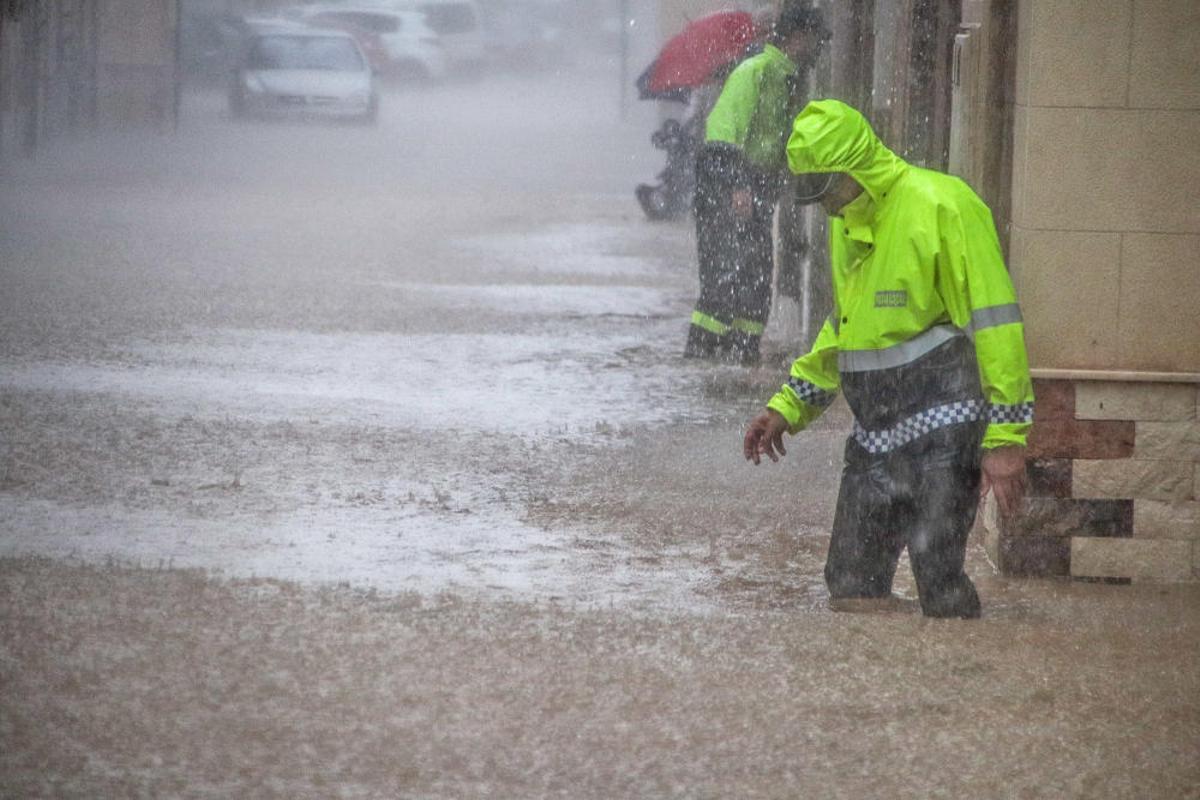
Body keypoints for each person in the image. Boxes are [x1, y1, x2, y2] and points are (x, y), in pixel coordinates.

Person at [742, 99, 1034, 619]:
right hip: (876, 433)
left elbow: (996, 324)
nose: (825, 206)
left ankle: (955, 687)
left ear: (855, 168)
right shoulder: (845, 219)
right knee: (851, 585)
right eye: (813, 195)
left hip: (946, 427)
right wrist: (789, 406)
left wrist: (1006, 438)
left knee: (939, 586)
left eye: (827, 190)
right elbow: (846, 329)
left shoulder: (943, 205)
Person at [683, 3, 830, 365]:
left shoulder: (787, 77)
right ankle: (703, 359)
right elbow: (721, 134)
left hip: (756, 186)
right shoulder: (755, 71)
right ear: (799, 38)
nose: (819, 50)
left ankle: (743, 355)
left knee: (755, 276)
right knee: (724, 277)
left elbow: (775, 140)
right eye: (815, 41)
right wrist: (737, 186)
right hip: (727, 185)